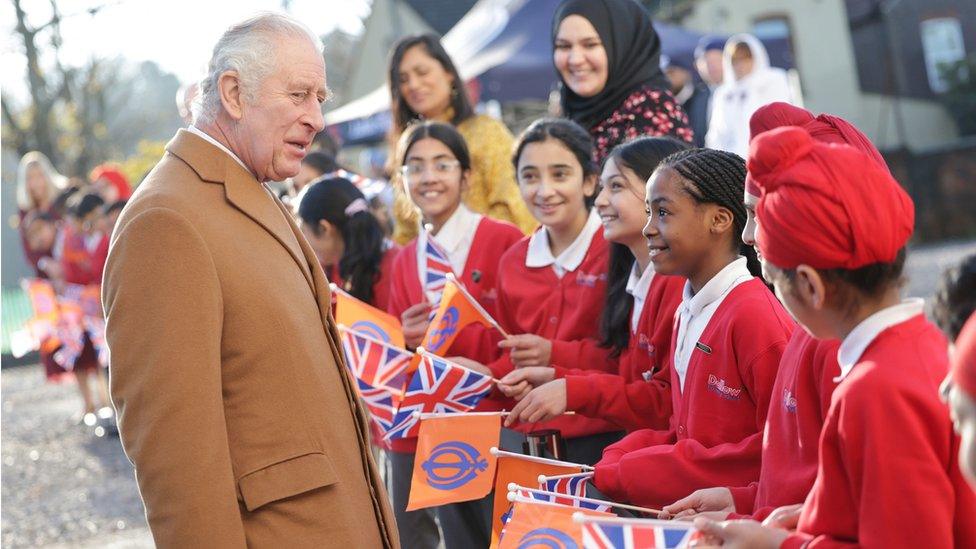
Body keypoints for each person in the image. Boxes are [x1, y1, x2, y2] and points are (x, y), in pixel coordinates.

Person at [101, 14, 397, 548]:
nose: (318, 118)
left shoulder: (245, 187)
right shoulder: (165, 221)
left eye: (321, 98)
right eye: (300, 95)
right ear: (233, 94)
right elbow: (177, 461)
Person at [695, 126, 976, 548]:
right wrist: (813, 514)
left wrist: (777, 545)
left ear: (810, 286)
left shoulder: (875, 389)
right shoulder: (919, 346)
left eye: (771, 276)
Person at [659, 104, 892, 523]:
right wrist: (745, 503)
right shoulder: (811, 331)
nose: (747, 236)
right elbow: (810, 487)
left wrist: (777, 533)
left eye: (756, 213)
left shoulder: (856, 359)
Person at [592, 148, 794, 510]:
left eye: (664, 213)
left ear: (719, 220)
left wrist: (637, 471)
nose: (648, 228)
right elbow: (686, 430)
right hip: (697, 513)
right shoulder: (687, 309)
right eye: (649, 212)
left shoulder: (752, 315)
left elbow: (781, 445)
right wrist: (624, 455)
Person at [386, 121, 525, 549]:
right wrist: (402, 339)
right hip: (436, 432)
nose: (429, 177)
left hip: (497, 418)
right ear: (402, 179)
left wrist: (487, 371)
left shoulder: (504, 239)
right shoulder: (404, 260)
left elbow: (528, 335)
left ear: (465, 176)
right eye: (415, 166)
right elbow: (395, 362)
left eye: (442, 164)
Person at [498, 137, 690, 432]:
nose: (600, 201)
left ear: (660, 195)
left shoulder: (674, 283)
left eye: (616, 186)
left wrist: (570, 388)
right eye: (603, 187)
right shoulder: (638, 276)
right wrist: (555, 376)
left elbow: (666, 404)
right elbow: (626, 372)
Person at [463, 118, 622, 466]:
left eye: (560, 174)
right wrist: (478, 373)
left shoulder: (618, 251)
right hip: (534, 440)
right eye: (530, 176)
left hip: (607, 437)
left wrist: (552, 352)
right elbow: (514, 355)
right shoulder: (513, 261)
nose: (544, 190)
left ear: (590, 181)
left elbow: (628, 361)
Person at [387, 34, 536, 244]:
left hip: (490, 261)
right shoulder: (406, 146)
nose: (413, 84)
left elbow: (514, 208)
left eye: (422, 72)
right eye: (403, 79)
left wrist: (462, 251)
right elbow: (405, 231)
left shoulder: (486, 132)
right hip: (427, 270)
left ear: (448, 73)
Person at [552, 0, 694, 163]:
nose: (575, 59)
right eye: (563, 46)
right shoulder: (569, 107)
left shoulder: (651, 109)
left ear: (623, 45)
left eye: (590, 45)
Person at [296, 175, 399, 311]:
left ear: (324, 228)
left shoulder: (394, 268)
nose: (302, 243)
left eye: (303, 231)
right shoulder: (335, 265)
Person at [705, 34, 796, 157]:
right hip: (731, 164)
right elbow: (715, 134)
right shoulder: (723, 93)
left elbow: (780, 121)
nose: (741, 64)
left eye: (746, 58)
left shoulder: (773, 80)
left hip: (768, 157)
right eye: (735, 60)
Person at [16, 151, 66, 278]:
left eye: (39, 176)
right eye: (30, 178)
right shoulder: (25, 211)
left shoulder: (62, 201)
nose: (36, 182)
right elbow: (29, 252)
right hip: (46, 276)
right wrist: (45, 263)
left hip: (70, 267)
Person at [664, 56, 710, 147]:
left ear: (686, 73)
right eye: (665, 74)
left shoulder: (703, 97)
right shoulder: (666, 103)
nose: (667, 78)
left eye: (672, 73)